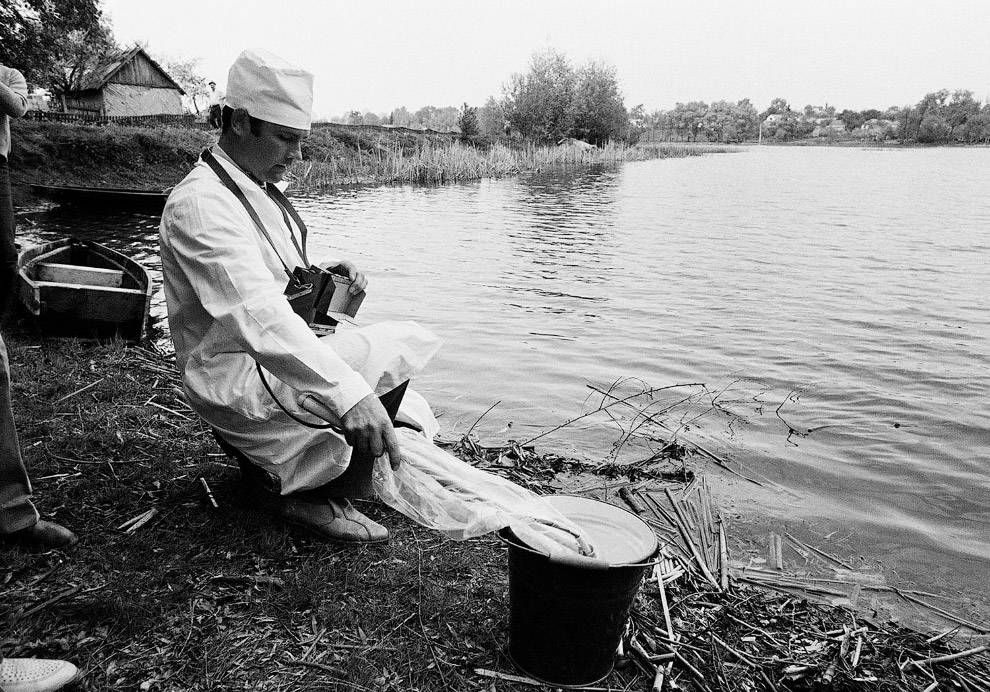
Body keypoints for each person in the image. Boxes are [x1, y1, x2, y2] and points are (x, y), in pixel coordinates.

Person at [159, 49, 440, 545]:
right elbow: (257, 312)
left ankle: (293, 468)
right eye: (287, 139)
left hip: (255, 353)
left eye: (301, 141)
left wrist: (321, 271)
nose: (297, 156)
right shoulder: (201, 205)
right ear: (242, 122)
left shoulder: (248, 185)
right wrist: (349, 394)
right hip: (234, 370)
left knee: (391, 380)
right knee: (399, 344)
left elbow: (259, 273)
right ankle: (314, 494)